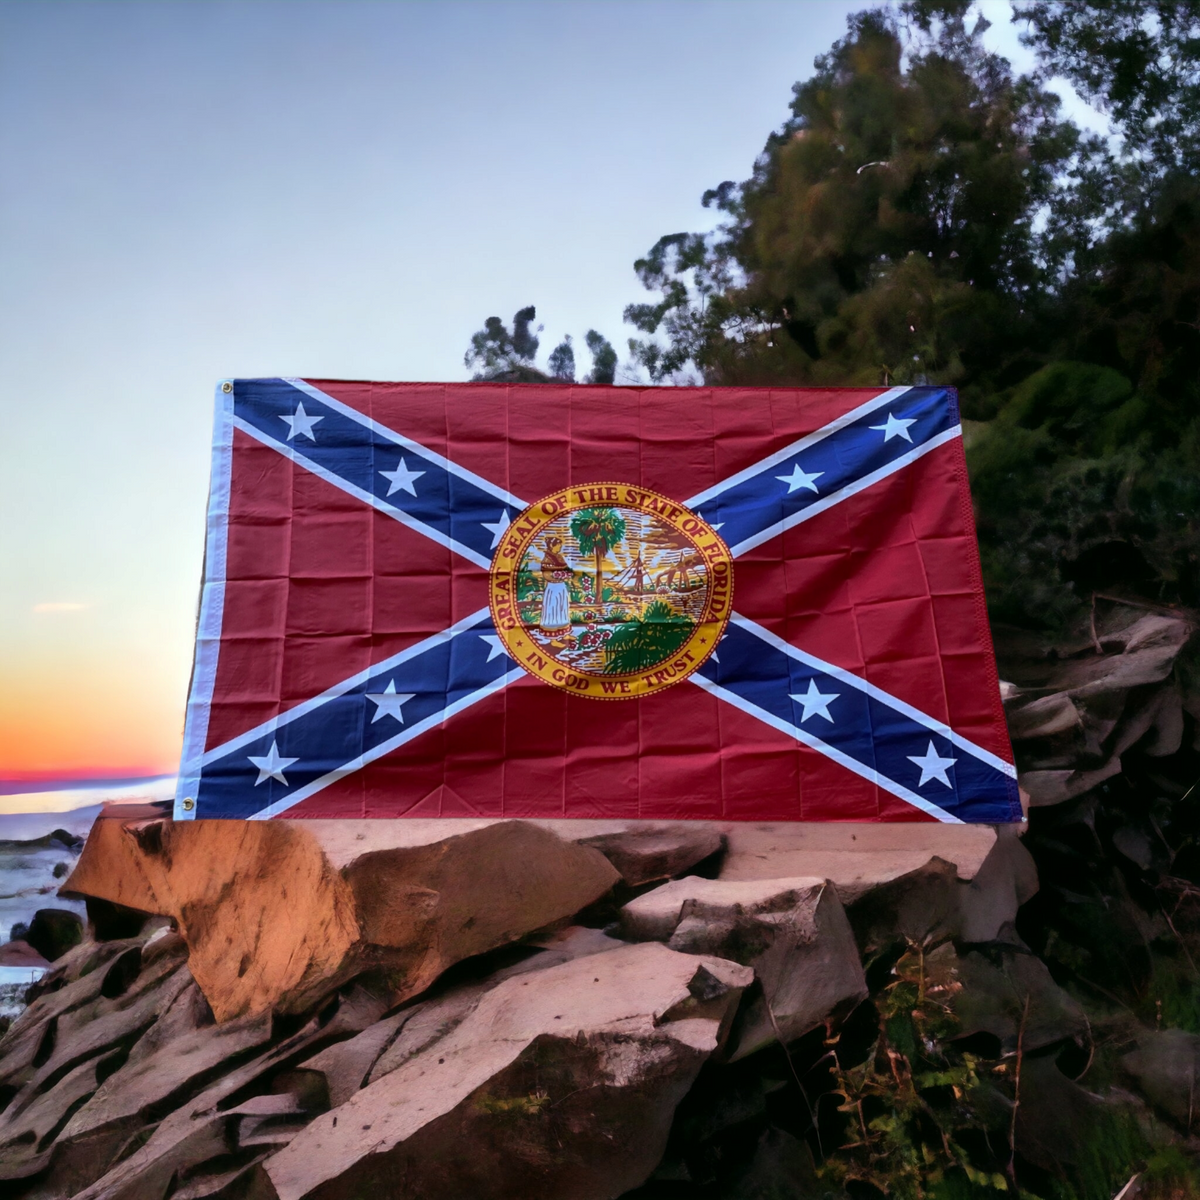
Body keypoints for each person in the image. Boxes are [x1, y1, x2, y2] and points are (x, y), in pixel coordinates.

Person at [539, 535, 571, 634]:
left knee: (562, 608)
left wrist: (566, 574)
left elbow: (567, 569)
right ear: (552, 546)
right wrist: (557, 576)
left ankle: (563, 632)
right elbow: (546, 575)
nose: (560, 548)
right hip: (552, 588)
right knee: (552, 608)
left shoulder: (559, 557)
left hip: (561, 587)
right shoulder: (547, 559)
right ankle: (552, 635)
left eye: (560, 546)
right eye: (558, 546)